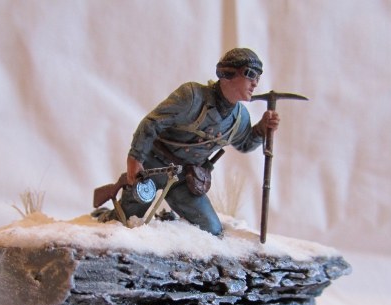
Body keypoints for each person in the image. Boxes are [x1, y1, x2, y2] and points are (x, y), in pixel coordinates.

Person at [120, 48, 280, 236]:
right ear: (228, 73)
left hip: (184, 179)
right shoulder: (192, 96)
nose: (255, 83)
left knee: (212, 228)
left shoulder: (240, 118)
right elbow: (152, 123)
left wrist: (261, 129)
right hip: (151, 168)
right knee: (124, 221)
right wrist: (135, 159)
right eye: (250, 74)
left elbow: (245, 144)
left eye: (258, 77)